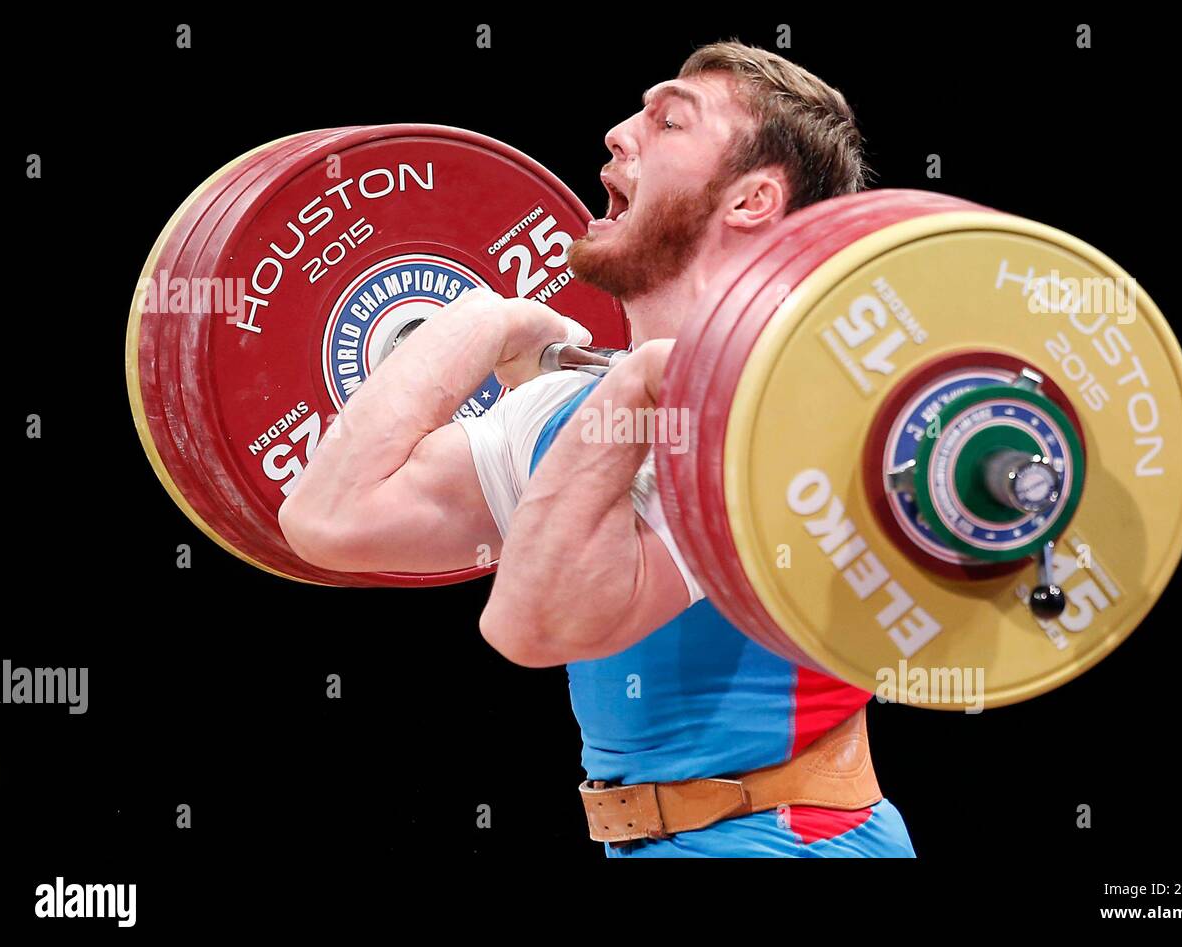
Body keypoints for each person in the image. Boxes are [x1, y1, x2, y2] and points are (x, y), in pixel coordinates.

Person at [279, 40, 915, 858]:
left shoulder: (785, 410)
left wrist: (627, 391)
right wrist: (481, 322)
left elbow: (536, 626)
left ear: (754, 199)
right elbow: (328, 517)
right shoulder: (574, 405)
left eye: (668, 122)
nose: (617, 134)